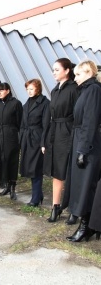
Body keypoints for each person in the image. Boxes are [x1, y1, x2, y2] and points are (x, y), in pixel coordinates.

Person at [61, 60, 101, 242]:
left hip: (88, 144)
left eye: (77, 74)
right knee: (81, 185)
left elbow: (90, 121)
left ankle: (85, 227)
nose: (74, 78)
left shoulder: (93, 90)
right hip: (81, 141)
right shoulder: (85, 90)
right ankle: (88, 225)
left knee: (86, 186)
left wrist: (83, 149)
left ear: (88, 72)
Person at [43, 58, 79, 223]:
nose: (54, 72)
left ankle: (74, 208)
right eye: (53, 69)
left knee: (71, 171)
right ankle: (55, 206)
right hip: (55, 133)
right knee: (57, 171)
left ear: (67, 71)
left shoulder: (74, 89)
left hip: (69, 132)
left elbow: (78, 114)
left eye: (57, 69)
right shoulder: (54, 90)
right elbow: (50, 116)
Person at [19, 79, 50, 206]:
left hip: (37, 140)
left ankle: (35, 199)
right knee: (30, 170)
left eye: (31, 89)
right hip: (27, 139)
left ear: (38, 88)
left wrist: (43, 143)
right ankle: (38, 195)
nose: (29, 92)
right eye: (27, 89)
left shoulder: (45, 103)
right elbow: (22, 123)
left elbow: (46, 125)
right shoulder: (26, 104)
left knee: (36, 169)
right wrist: (21, 139)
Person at [0, 82, 23, 200]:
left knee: (11, 160)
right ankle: (6, 185)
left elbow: (20, 122)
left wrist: (19, 136)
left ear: (8, 91)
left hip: (11, 136)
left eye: (2, 90)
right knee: (1, 160)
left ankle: (13, 186)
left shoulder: (16, 104)